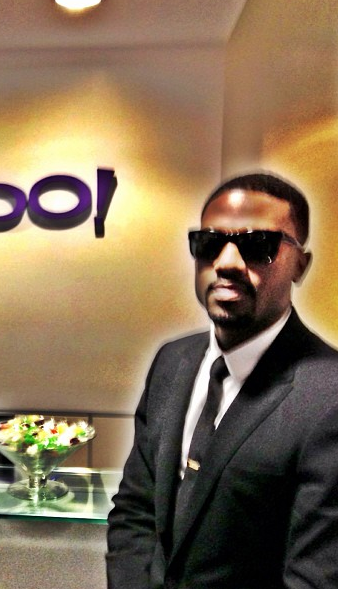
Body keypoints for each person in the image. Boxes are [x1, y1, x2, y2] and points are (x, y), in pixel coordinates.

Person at [106, 172, 338, 589]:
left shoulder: (329, 396)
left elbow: (315, 576)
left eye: (258, 244)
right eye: (210, 243)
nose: (227, 262)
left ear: (300, 266)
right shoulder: (172, 361)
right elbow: (135, 510)